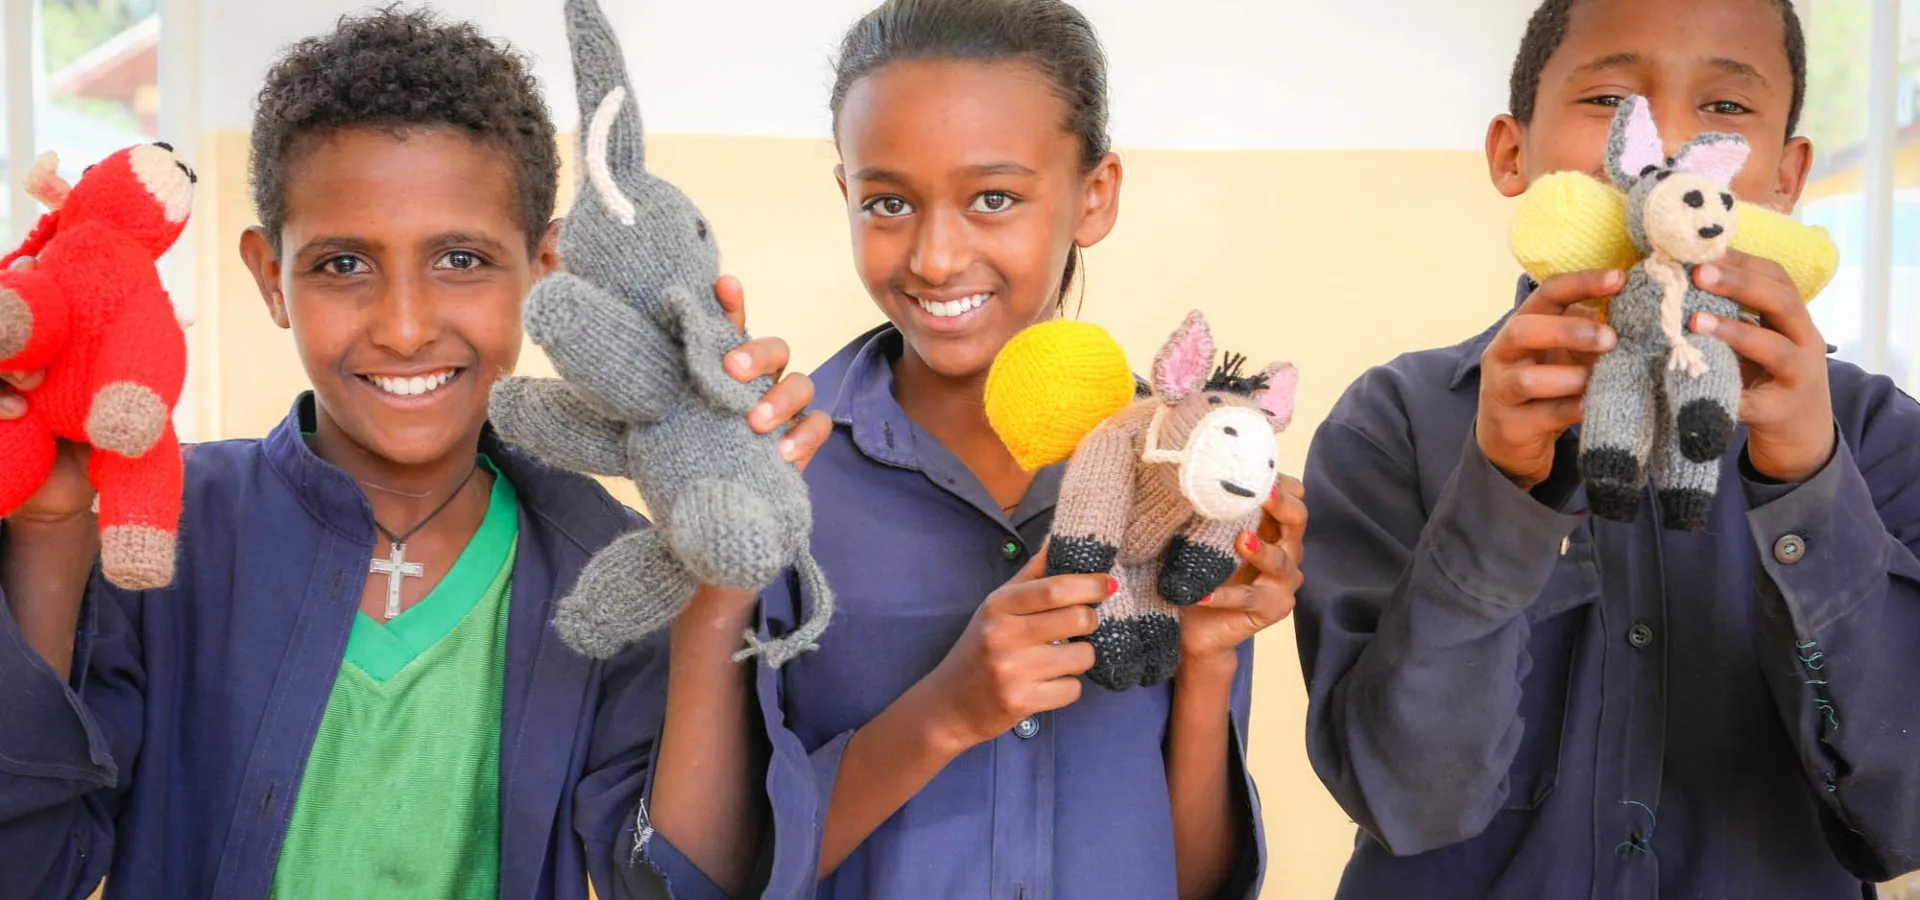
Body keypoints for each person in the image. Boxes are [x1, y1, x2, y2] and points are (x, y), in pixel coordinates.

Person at [0, 10, 828, 899]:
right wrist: (49, 530)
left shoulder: (601, 557)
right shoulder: (161, 538)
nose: (403, 327)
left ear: (546, 264)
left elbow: (673, 885)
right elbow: (31, 870)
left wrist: (715, 579)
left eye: (461, 259)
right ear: (270, 278)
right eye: (343, 265)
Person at [640, 1, 1308, 898]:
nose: (935, 256)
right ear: (847, 196)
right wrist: (946, 713)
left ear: (1096, 195)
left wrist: (1210, 659)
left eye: (993, 198)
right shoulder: (777, 473)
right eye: (889, 202)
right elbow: (704, 880)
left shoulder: (1177, 479)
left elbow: (1190, 879)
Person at [1295, 0, 1920, 897]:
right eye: (1611, 101)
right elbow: (1407, 801)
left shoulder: (1874, 437)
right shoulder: (1390, 423)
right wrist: (1498, 496)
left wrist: (1809, 486)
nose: (1667, 150)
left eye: (1726, 109)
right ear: (1513, 155)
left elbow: (1904, 815)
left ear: (1785, 178)